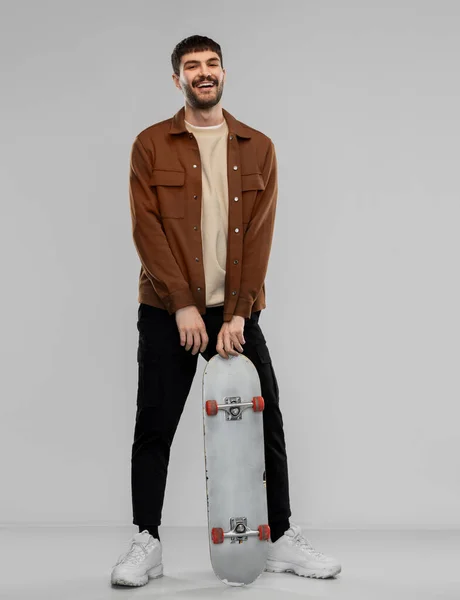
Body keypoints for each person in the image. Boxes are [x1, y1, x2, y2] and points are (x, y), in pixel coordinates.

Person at [111, 34, 341, 587]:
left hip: (236, 313)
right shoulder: (150, 144)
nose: (204, 72)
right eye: (192, 66)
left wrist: (237, 315)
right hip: (169, 310)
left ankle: (281, 535)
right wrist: (183, 306)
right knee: (155, 426)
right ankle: (147, 541)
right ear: (177, 80)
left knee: (268, 421)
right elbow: (148, 230)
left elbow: (259, 236)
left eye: (212, 63)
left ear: (224, 73)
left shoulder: (256, 146)